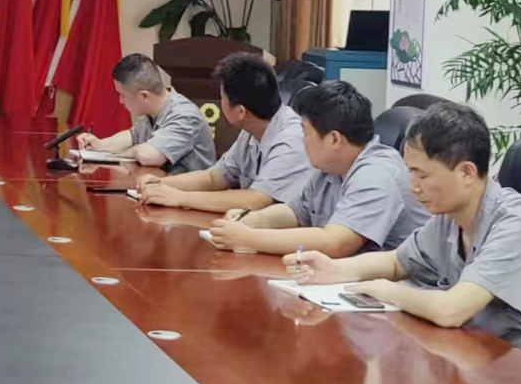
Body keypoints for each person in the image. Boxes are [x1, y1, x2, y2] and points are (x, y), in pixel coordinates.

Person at [286, 102, 521, 367]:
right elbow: (397, 262)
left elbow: (451, 310)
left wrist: (383, 290)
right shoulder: (451, 217)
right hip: (488, 361)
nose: (413, 187)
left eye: (422, 175)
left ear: (466, 172)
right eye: (410, 173)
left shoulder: (518, 225)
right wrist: (333, 269)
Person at [208, 81, 428, 256]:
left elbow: (336, 243)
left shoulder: (377, 173)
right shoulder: (331, 167)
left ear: (334, 139)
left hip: (404, 287)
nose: (302, 141)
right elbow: (295, 212)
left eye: (305, 132)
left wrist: (248, 239)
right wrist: (250, 220)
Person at [134, 53, 316, 215]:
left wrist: (180, 198)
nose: (221, 102)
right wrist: (162, 183)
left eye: (222, 97)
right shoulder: (252, 129)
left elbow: (257, 200)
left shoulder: (292, 139)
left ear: (241, 111)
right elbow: (214, 177)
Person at [74, 53, 214, 170]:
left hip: (189, 193)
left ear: (144, 96)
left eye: (123, 95)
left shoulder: (184, 115)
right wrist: (101, 145)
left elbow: (150, 156)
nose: (121, 101)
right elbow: (133, 136)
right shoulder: (155, 111)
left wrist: (125, 153)